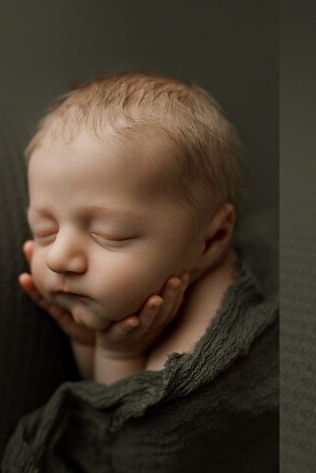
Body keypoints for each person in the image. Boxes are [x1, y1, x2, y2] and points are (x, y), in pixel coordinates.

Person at [19, 72, 240, 385]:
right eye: (45, 231)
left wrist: (119, 356)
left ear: (211, 239)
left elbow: (125, 416)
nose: (58, 258)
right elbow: (95, 389)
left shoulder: (203, 346)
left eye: (109, 234)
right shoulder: (137, 299)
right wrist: (89, 341)